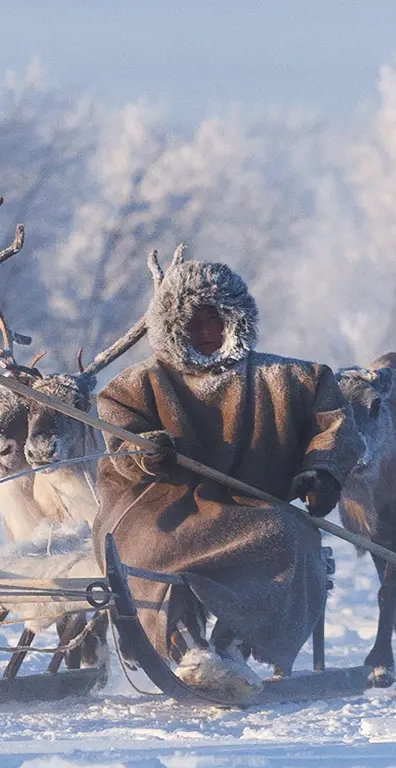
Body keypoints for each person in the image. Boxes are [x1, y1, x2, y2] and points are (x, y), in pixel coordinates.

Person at [95, 247, 352, 698]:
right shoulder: (135, 385)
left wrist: (322, 472)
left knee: (290, 535)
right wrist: (147, 452)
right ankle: (186, 650)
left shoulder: (293, 379)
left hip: (248, 509)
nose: (207, 331)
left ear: (237, 322)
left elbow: (333, 427)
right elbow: (121, 442)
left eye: (217, 320)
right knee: (150, 552)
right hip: (157, 511)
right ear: (173, 328)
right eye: (193, 322)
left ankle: (233, 646)